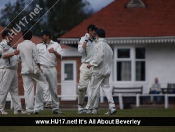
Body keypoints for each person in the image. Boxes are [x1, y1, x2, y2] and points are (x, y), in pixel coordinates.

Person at [17, 30, 52, 114]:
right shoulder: (33, 45)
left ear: (23, 36)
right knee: (44, 82)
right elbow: (37, 58)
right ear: (31, 37)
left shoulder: (19, 45)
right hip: (34, 69)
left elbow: (18, 58)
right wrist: (39, 68)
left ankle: (29, 110)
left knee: (28, 90)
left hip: (25, 70)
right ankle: (48, 101)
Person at [86, 28, 117, 115]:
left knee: (93, 89)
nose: (95, 36)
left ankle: (90, 108)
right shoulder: (108, 46)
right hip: (107, 71)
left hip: (99, 71)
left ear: (98, 36)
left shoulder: (99, 44)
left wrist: (91, 63)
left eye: (96, 35)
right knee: (106, 89)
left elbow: (99, 58)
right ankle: (112, 107)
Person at [34, 29, 63, 114]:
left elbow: (60, 57)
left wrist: (54, 51)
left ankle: (55, 108)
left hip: (51, 68)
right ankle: (37, 108)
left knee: (53, 88)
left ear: (47, 36)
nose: (41, 37)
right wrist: (38, 68)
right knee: (39, 89)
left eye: (42, 35)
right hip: (41, 68)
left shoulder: (56, 45)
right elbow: (35, 58)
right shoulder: (38, 46)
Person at [0, 30, 26, 114]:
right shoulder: (3, 45)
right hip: (7, 69)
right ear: (4, 37)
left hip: (12, 70)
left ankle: (18, 109)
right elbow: (4, 56)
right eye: (10, 35)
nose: (12, 37)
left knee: (15, 90)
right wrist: (14, 53)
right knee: (4, 90)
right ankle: (0, 109)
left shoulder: (9, 46)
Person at [77, 24, 100, 114]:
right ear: (90, 31)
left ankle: (94, 108)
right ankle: (80, 106)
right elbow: (81, 51)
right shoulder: (82, 39)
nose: (96, 32)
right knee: (82, 87)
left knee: (95, 88)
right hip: (85, 65)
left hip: (95, 66)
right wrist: (86, 40)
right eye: (94, 31)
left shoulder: (98, 40)